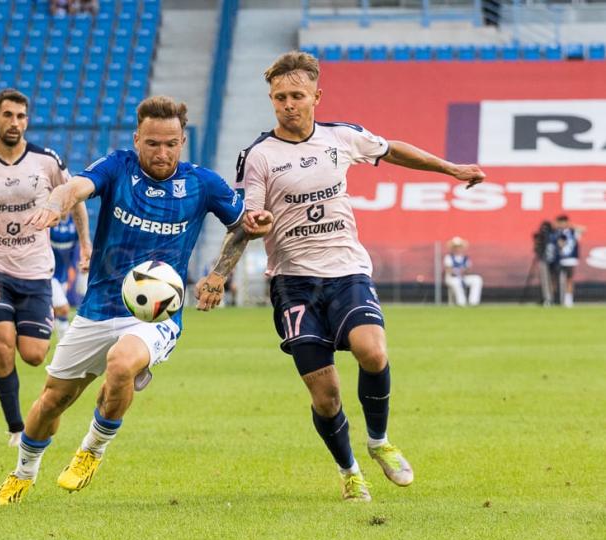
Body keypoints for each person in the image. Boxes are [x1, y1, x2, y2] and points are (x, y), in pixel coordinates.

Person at [200, 51, 485, 502]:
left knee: (372, 351)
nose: (288, 104)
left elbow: (392, 150)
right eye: (279, 97)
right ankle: (349, 469)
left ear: (317, 95)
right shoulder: (258, 156)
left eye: (296, 95)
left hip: (347, 270)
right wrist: (221, 270)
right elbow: (245, 220)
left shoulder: (342, 137)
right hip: (292, 282)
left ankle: (379, 442)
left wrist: (450, 169)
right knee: (326, 396)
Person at [0, 95, 272, 506]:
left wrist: (218, 274)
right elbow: (76, 187)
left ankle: (91, 450)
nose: (162, 152)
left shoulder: (202, 184)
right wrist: (56, 203)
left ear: (182, 142)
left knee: (122, 365)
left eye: (171, 143)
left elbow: (244, 225)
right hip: (99, 308)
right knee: (53, 401)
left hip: (156, 311)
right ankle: (23, 472)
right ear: (137, 138)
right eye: (153, 143)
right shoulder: (118, 167)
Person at [0, 89, 92, 446]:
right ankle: (15, 427)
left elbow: (75, 196)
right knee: (1, 345)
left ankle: (37, 408)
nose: (15, 123)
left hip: (36, 270)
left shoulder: (46, 161)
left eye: (21, 117)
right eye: (8, 115)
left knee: (33, 355)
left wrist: (86, 243)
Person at [49, 213, 83, 338]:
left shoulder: (75, 222)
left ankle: (61, 345)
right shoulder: (50, 221)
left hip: (62, 275)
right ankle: (66, 343)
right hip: (48, 273)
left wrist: (74, 268)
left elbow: (76, 249)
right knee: (64, 308)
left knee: (59, 314)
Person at [552, 214, 585, 308]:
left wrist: (570, 225)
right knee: (556, 279)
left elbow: (583, 229)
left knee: (569, 279)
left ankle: (568, 299)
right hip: (559, 259)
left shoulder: (572, 231)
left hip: (570, 259)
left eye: (564, 222)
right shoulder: (556, 232)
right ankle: (556, 298)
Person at [443, 236, 482, 307]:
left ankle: (473, 302)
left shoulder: (465, 258)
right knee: (456, 282)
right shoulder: (449, 257)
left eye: (459, 247)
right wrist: (457, 272)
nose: (457, 249)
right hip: (452, 278)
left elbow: (468, 270)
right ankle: (461, 303)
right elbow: (448, 270)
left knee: (477, 279)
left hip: (463, 277)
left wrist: (464, 272)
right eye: (456, 247)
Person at [532, 220, 555, 307]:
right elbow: (537, 249)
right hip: (546, 260)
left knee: (548, 281)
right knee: (546, 281)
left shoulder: (553, 236)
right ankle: (547, 298)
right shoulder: (548, 236)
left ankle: (549, 299)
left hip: (549, 260)